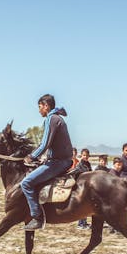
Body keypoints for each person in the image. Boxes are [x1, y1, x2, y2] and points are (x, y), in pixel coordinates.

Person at [21, 94, 73, 231]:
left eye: (40, 107)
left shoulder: (51, 118)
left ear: (46, 106)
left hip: (59, 162)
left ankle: (37, 217)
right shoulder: (57, 118)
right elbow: (52, 147)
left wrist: (31, 157)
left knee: (26, 183)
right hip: (62, 160)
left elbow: (45, 144)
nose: (39, 110)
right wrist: (43, 158)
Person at [75, 148, 92, 229]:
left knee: (86, 205)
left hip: (87, 186)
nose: (85, 157)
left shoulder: (88, 164)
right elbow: (78, 175)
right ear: (81, 155)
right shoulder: (79, 165)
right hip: (81, 187)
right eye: (84, 155)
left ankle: (84, 222)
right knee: (82, 205)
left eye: (87, 155)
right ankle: (80, 224)